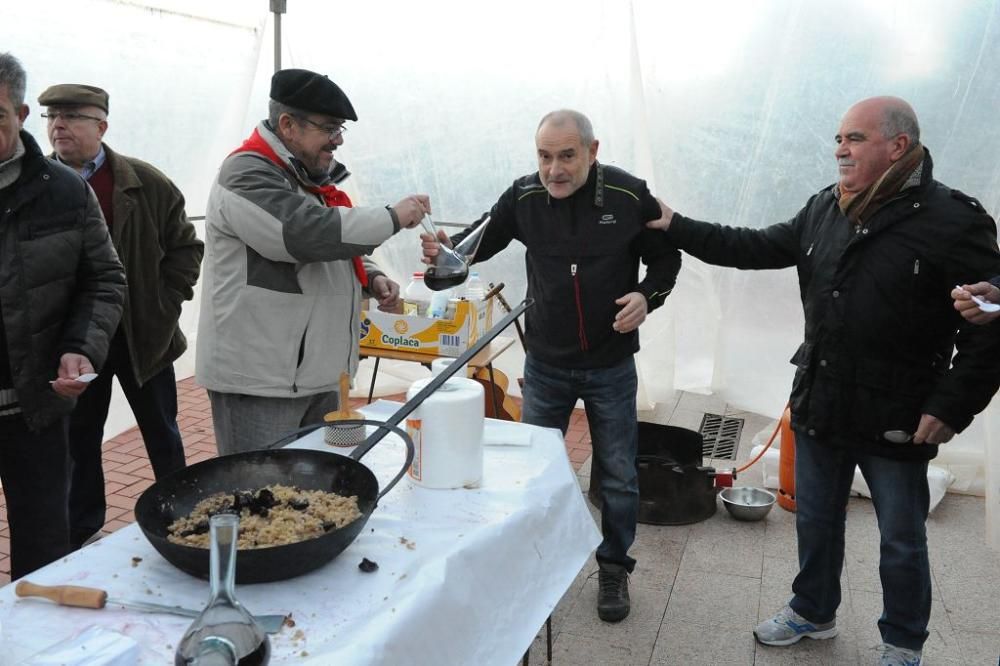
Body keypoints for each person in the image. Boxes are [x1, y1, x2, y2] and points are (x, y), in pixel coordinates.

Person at [648, 96, 1000, 665]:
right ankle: (813, 611)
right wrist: (676, 225)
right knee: (814, 520)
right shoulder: (826, 209)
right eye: (838, 138)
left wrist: (952, 406)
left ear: (898, 147)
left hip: (899, 416)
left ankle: (903, 643)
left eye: (854, 139)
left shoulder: (952, 220)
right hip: (822, 401)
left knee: (901, 540)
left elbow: (990, 324)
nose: (839, 149)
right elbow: (754, 246)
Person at [421, 109, 681, 622]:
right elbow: (466, 252)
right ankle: (529, 562)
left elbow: (667, 260)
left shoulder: (629, 196)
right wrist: (441, 260)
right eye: (544, 156)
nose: (554, 169)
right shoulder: (522, 197)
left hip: (609, 363)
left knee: (620, 475)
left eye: (566, 156)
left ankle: (613, 569)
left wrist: (647, 297)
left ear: (593, 150)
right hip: (546, 363)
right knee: (531, 470)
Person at [197, 68, 429, 455]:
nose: (337, 140)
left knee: (318, 492)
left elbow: (324, 252)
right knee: (260, 493)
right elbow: (302, 234)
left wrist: (369, 277)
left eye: (340, 129)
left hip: (317, 376)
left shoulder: (305, 176)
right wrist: (391, 217)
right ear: (288, 125)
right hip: (260, 383)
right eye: (329, 128)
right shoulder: (246, 173)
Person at [37, 83, 204, 550]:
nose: (58, 126)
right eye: (52, 117)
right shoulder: (40, 186)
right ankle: (82, 530)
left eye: (72, 117)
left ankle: (182, 519)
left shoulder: (144, 182)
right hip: (76, 343)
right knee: (80, 441)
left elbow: (187, 247)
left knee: (163, 434)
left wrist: (164, 304)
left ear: (101, 126)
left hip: (143, 339)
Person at [0, 53, 126, 578]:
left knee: (43, 550)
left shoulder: (63, 191)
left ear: (21, 114)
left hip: (33, 406)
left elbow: (104, 278)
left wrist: (81, 346)